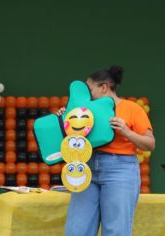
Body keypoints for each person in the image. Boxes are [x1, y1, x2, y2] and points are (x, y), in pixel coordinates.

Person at [59, 65, 155, 236]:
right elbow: (71, 140)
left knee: (116, 230)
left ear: (103, 87)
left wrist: (126, 131)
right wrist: (65, 120)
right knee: (77, 229)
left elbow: (149, 144)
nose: (86, 94)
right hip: (86, 166)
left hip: (120, 169)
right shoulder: (83, 110)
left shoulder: (132, 108)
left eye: (89, 89)